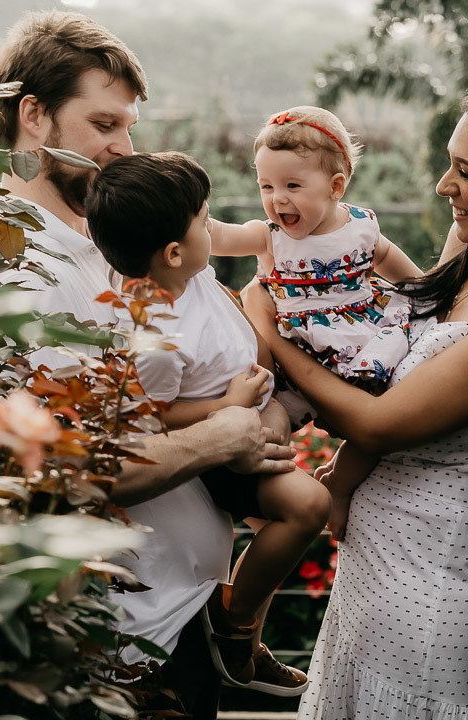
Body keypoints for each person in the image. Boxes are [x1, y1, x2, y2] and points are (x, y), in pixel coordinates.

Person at [241, 82, 468, 719]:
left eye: (464, 171)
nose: (441, 186)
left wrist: (271, 333)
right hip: (374, 569)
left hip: (438, 583)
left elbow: (376, 424)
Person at [0, 11, 297, 717]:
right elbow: (69, 464)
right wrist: (217, 436)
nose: (124, 148)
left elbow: (225, 351)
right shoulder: (12, 269)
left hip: (178, 610)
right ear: (33, 116)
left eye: (128, 126)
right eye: (103, 126)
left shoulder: (128, 231)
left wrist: (265, 413)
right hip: (101, 644)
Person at [84, 151, 330, 695]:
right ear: (173, 251)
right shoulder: (154, 336)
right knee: (309, 506)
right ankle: (236, 625)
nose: (211, 227)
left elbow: (233, 303)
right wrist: (228, 407)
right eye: (203, 220)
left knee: (286, 524)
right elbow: (153, 415)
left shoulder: (192, 277)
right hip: (225, 444)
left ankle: (245, 632)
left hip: (259, 410)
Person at [210, 106, 423, 427]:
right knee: (273, 418)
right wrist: (184, 215)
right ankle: (268, 466)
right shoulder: (270, 235)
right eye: (266, 186)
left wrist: (430, 288)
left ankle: (337, 477)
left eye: (292, 186)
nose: (277, 199)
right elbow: (223, 237)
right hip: (297, 354)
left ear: (335, 187)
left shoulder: (362, 226)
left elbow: (399, 267)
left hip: (364, 343)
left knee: (373, 421)